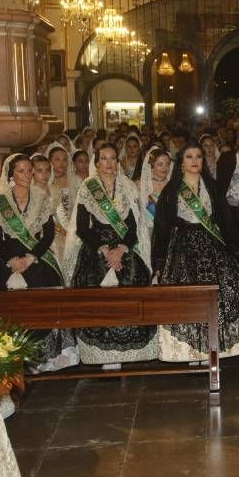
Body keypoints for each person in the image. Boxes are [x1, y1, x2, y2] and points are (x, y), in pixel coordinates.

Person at [152, 142, 239, 362]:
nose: (195, 161)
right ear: (181, 163)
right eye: (190, 157)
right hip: (182, 251)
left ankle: (214, 348)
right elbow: (162, 226)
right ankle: (192, 351)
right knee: (187, 301)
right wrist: (159, 260)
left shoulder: (212, 187)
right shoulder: (171, 190)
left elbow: (225, 222)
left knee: (219, 296)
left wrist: (238, 249)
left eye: (199, 157)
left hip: (213, 247)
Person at [62, 143, 157, 366]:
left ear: (117, 161)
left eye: (113, 158)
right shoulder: (88, 187)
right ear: (97, 163)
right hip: (96, 247)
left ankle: (131, 353)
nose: (109, 163)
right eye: (104, 158)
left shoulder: (127, 187)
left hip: (123, 246)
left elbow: (134, 227)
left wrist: (121, 249)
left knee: (134, 280)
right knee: (94, 284)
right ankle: (103, 355)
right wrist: (104, 249)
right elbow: (82, 228)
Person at [0, 154, 78, 373]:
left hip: (35, 257)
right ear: (11, 175)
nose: (27, 175)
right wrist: (12, 261)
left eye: (29, 170)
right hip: (8, 259)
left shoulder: (40, 197)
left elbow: (47, 235)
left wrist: (30, 258)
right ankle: (13, 354)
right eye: (21, 171)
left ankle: (45, 354)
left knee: (46, 285)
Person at [138, 147, 171, 237]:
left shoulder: (173, 185)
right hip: (148, 230)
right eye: (160, 164)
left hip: (167, 231)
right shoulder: (141, 185)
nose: (165, 168)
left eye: (167, 164)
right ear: (151, 166)